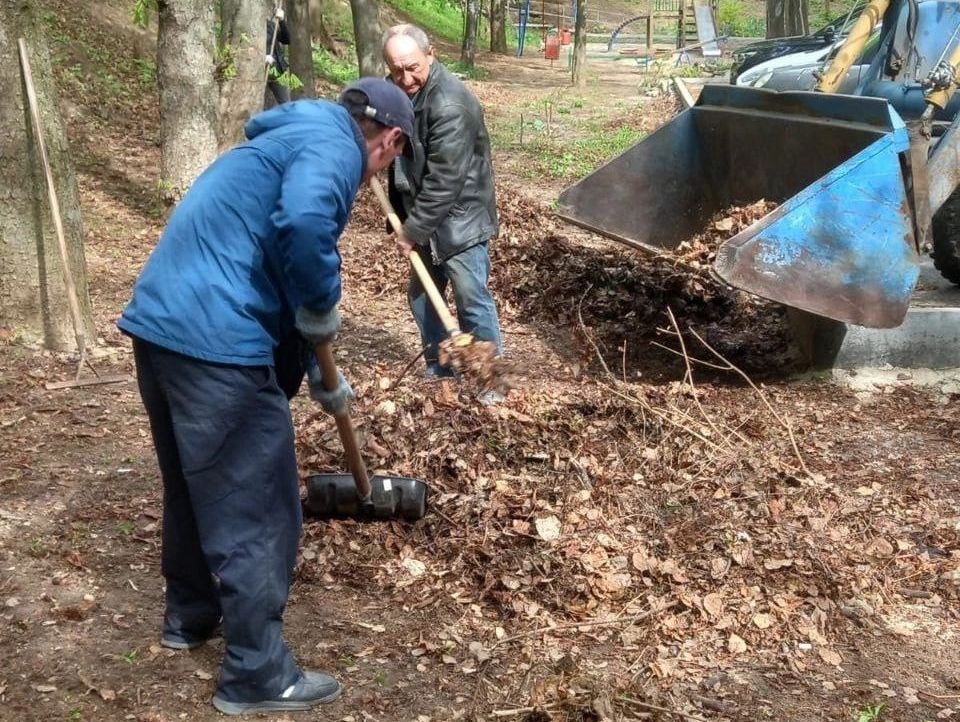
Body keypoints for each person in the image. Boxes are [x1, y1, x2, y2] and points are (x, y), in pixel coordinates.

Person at [117, 78, 413, 716]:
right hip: (216, 340)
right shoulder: (335, 151)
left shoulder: (291, 139)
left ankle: (191, 615)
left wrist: (316, 370)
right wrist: (323, 309)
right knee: (261, 505)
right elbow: (304, 227)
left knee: (196, 485)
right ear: (389, 140)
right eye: (392, 159)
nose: (376, 179)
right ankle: (256, 673)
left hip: (163, 327)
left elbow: (274, 257)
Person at [382, 24, 505, 391]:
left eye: (413, 67)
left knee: (471, 300)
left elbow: (445, 181)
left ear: (431, 54)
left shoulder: (450, 103)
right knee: (422, 298)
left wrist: (412, 229)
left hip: (460, 221)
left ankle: (490, 382)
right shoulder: (399, 90)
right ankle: (440, 370)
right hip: (426, 216)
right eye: (396, 69)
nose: (405, 78)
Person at [265, 5, 291, 107]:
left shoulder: (270, 25)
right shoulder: (250, 26)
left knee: (286, 104)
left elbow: (286, 39)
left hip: (277, 70)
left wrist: (282, 21)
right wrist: (261, 58)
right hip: (260, 70)